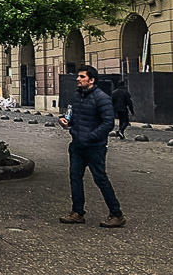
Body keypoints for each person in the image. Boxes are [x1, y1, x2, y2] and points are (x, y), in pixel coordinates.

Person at [58, 65, 125, 228]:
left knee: (100, 179)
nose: (78, 79)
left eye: (82, 77)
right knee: (75, 178)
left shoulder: (101, 98)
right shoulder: (77, 96)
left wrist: (90, 137)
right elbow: (74, 117)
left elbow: (108, 123)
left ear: (92, 80)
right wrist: (65, 121)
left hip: (95, 147)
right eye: (78, 76)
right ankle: (77, 213)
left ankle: (116, 214)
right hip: (77, 146)